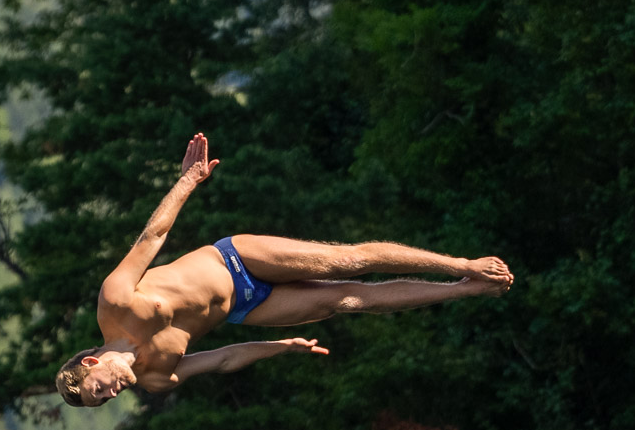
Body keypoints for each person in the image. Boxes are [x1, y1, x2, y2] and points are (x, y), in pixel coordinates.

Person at [55, 133, 513, 406]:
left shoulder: (114, 302)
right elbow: (226, 358)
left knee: (345, 262)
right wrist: (281, 346)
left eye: (99, 390)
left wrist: (188, 181)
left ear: (92, 362)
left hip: (234, 259)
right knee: (347, 300)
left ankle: (461, 264)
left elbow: (151, 238)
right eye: (103, 400)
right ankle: (467, 289)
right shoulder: (155, 377)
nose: (111, 395)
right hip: (248, 308)